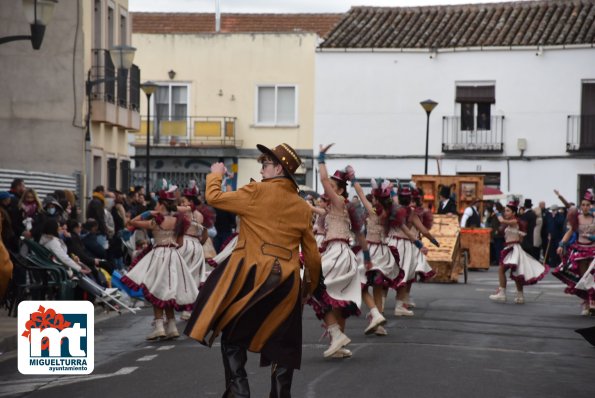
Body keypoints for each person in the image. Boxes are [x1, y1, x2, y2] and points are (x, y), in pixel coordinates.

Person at [184, 143, 321, 398]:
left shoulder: (256, 191)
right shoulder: (303, 207)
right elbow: (312, 255)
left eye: (265, 165)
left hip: (255, 275)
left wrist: (215, 174)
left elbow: (214, 198)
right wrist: (308, 289)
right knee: (283, 347)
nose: (261, 169)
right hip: (289, 283)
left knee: (233, 337)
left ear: (278, 168)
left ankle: (239, 391)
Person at [307, 149, 367, 359]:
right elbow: (319, 213)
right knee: (334, 299)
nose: (328, 190)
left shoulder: (339, 203)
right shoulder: (337, 207)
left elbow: (323, 179)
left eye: (333, 188)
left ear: (340, 191)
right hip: (340, 252)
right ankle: (338, 342)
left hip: (338, 252)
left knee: (313, 285)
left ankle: (337, 336)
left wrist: (321, 159)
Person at [122, 188, 197, 340]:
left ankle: (159, 327)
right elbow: (180, 243)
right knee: (167, 291)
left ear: (161, 204)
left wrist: (148, 212)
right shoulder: (179, 221)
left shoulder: (155, 220)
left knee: (157, 290)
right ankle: (172, 326)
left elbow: (132, 222)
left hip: (158, 256)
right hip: (174, 255)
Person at [352, 178, 399, 336]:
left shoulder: (372, 210)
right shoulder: (389, 212)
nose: (371, 198)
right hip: (383, 253)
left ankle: (376, 315)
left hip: (371, 251)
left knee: (359, 284)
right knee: (378, 290)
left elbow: (359, 192)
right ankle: (378, 322)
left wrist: (352, 178)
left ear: (376, 198)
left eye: (373, 196)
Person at [489, 200, 549, 304]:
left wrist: (497, 212)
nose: (505, 213)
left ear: (513, 213)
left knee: (502, 270)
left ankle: (502, 293)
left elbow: (502, 221)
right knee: (516, 272)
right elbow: (520, 237)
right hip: (513, 247)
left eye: (507, 211)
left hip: (513, 248)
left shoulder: (515, 221)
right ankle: (519, 296)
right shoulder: (515, 222)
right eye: (505, 211)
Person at [552, 190, 594, 315]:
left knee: (592, 276)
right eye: (583, 205)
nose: (585, 207)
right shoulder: (577, 218)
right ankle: (586, 303)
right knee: (583, 278)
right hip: (580, 250)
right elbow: (569, 232)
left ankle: (592, 302)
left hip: (593, 250)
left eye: (587, 205)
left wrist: (593, 238)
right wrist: (561, 244)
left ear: (591, 206)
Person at [177, 182, 213, 321]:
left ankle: (185, 307)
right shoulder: (200, 214)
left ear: (190, 201)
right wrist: (200, 244)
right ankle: (190, 308)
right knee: (194, 278)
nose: (182, 202)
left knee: (184, 276)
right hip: (197, 245)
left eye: (184, 200)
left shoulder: (185, 211)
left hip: (185, 244)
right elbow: (204, 233)